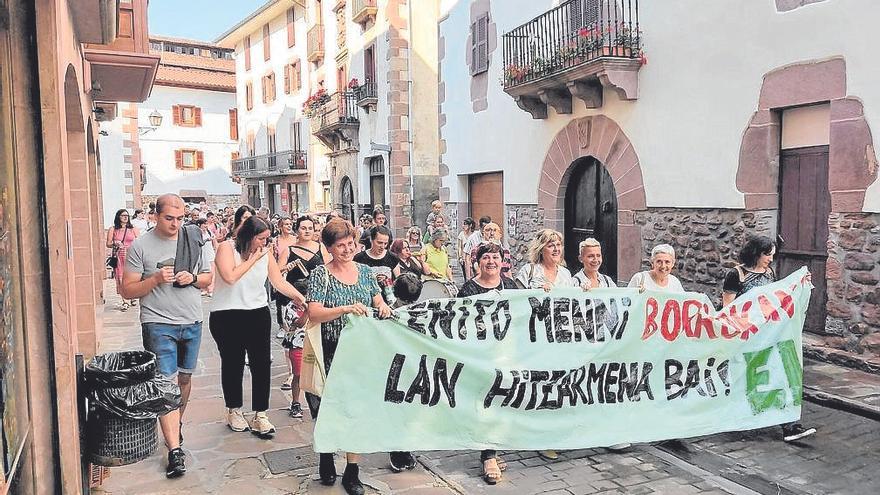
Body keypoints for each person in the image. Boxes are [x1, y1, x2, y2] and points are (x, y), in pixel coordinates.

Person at [121, 193, 215, 478]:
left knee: (184, 378)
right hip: (158, 323)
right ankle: (175, 450)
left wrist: (193, 279)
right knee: (165, 383)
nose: (175, 224)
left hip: (192, 320)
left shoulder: (195, 239)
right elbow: (127, 290)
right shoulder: (141, 246)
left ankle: (176, 422)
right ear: (155, 216)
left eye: (180, 218)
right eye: (169, 218)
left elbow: (209, 278)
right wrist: (155, 279)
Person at [306, 219, 393, 494]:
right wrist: (344, 309)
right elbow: (315, 312)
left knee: (356, 408)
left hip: (361, 353)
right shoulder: (321, 274)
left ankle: (352, 470)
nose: (346, 249)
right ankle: (326, 453)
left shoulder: (366, 272)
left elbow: (376, 300)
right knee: (328, 407)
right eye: (340, 246)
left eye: (350, 244)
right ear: (329, 248)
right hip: (331, 351)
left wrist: (383, 308)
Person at [210, 216, 306, 439]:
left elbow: (278, 281)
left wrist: (298, 296)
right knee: (233, 363)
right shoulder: (227, 248)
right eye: (261, 238)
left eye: (267, 239)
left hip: (257, 312)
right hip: (227, 313)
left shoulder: (265, 254)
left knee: (261, 364)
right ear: (249, 236)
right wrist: (253, 259)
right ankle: (234, 409)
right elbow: (230, 276)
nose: (264, 243)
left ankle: (261, 414)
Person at [722, 235, 816, 442]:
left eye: (772, 255)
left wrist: (799, 285)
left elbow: (775, 300)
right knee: (743, 381)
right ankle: (732, 416)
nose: (770, 259)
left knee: (779, 375)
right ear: (756, 253)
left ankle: (790, 425)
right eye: (767, 255)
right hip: (745, 338)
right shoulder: (736, 275)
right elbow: (728, 309)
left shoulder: (769, 273)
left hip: (767, 336)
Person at [457, 243, 519, 485]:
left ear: (502, 261)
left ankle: (493, 448)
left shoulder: (511, 286)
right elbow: (460, 322)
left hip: (505, 354)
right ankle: (488, 456)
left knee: (501, 402)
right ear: (477, 261)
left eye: (496, 257)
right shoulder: (468, 289)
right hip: (480, 355)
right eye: (486, 258)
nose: (491, 262)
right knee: (486, 402)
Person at [278, 215, 329, 418]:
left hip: (317, 300)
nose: (307, 231)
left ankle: (321, 398)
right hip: (295, 303)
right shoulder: (288, 250)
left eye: (310, 228)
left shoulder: (320, 248)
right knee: (298, 355)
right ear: (297, 230)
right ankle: (296, 401)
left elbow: (329, 269)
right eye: (303, 228)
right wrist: (287, 267)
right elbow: (276, 271)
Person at [353, 226, 399, 303]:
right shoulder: (359, 258)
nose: (382, 246)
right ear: (371, 240)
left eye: (385, 243)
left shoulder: (392, 257)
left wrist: (387, 280)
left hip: (389, 300)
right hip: (367, 301)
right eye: (379, 243)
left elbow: (398, 281)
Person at [107, 209, 140, 310]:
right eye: (123, 215)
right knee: (120, 278)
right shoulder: (113, 229)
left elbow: (139, 241)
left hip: (131, 255)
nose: (125, 217)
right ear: (118, 217)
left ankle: (132, 296)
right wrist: (115, 243)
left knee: (132, 277)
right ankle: (125, 300)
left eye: (127, 215)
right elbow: (108, 244)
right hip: (119, 255)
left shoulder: (133, 228)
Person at [274, 216, 298, 339]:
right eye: (286, 224)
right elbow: (273, 259)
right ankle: (282, 325)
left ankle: (294, 322)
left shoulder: (296, 239)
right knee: (281, 300)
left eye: (290, 224)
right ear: (280, 227)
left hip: (295, 271)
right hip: (281, 272)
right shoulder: (275, 241)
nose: (289, 226)